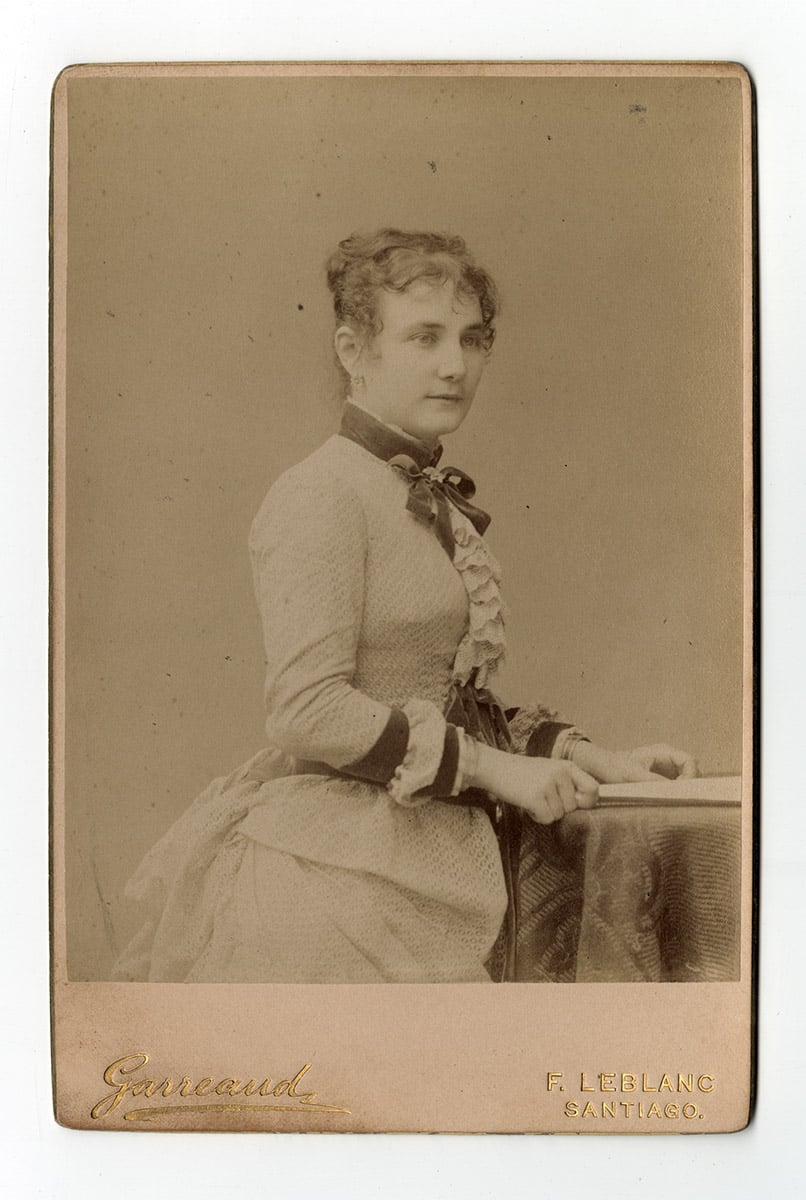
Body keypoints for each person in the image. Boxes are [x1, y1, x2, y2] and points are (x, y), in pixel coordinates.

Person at [114, 228, 696, 985]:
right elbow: (305, 710)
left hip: (426, 858)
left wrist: (585, 756)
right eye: (424, 337)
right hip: (332, 878)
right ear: (353, 350)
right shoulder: (321, 492)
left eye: (472, 339)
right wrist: (490, 769)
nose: (455, 365)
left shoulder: (420, 496)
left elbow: (438, 693)